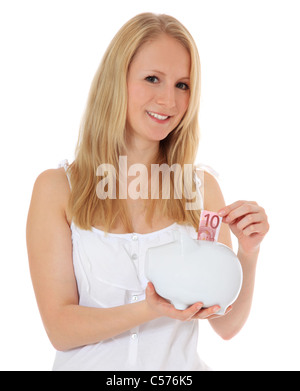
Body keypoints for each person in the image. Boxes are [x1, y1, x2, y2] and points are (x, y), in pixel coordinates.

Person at [26, 13, 269, 371]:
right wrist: (149, 309)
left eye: (182, 85)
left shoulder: (200, 189)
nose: (168, 101)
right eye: (152, 79)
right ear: (116, 81)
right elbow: (60, 329)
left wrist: (248, 254)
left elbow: (226, 325)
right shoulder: (58, 189)